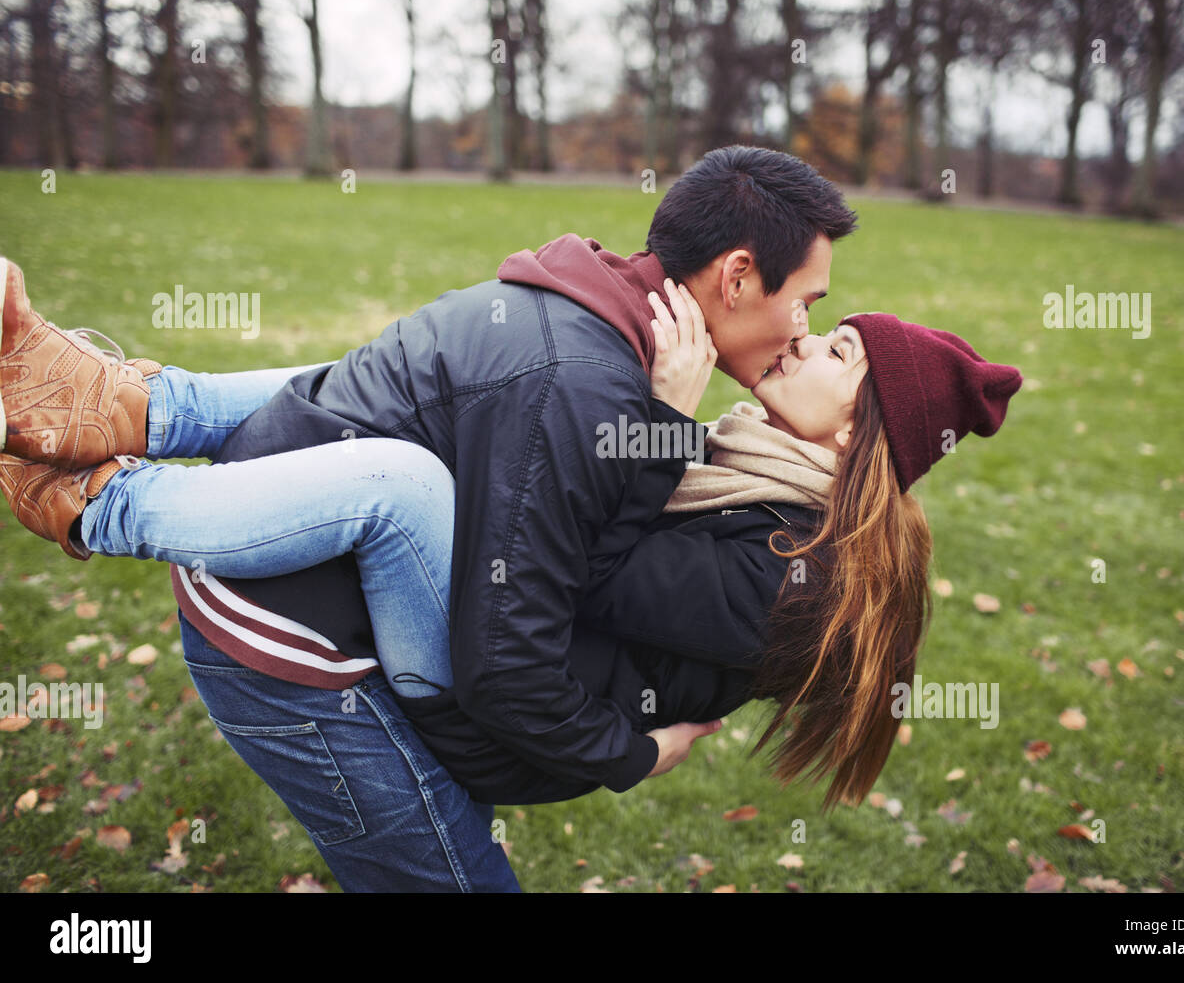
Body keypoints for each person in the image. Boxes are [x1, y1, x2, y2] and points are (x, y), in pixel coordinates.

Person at [2, 251, 1023, 887]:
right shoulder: (765, 477)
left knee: (403, 481)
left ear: (862, 439)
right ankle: (127, 403)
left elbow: (588, 574)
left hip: (501, 697)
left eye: (838, 355)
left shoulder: (801, 579)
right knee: (439, 391)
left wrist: (656, 423)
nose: (802, 340)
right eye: (825, 327)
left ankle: (102, 504)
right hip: (508, 656)